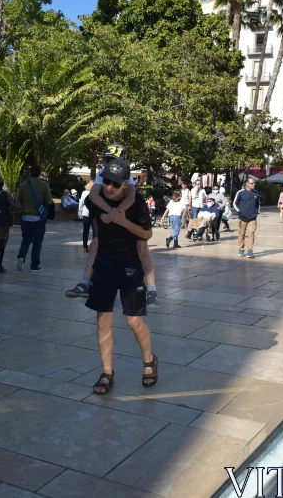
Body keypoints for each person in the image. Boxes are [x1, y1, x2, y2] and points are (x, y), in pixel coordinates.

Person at [83, 158, 158, 395]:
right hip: (105, 264)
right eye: (106, 181)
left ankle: (149, 361)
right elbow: (96, 233)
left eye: (115, 184)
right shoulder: (95, 201)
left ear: (126, 184)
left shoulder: (136, 205)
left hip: (130, 266)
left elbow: (147, 233)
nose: (109, 187)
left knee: (133, 320)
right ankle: (107, 373)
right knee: (103, 320)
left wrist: (122, 221)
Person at [65, 144, 158, 308]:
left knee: (142, 247)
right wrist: (110, 212)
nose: (109, 164)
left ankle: (151, 289)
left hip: (129, 212)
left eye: (113, 160)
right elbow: (94, 195)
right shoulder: (102, 174)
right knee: (96, 242)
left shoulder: (125, 176)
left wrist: (116, 214)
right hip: (112, 212)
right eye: (107, 160)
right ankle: (86, 281)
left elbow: (131, 197)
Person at [15, 165, 53, 272]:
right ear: (40, 173)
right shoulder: (44, 185)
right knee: (37, 242)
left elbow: (19, 202)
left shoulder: (23, 185)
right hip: (38, 218)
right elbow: (49, 201)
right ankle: (34, 265)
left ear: (30, 173)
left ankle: (21, 257)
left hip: (25, 217)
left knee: (26, 240)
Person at [233, 178, 261, 258]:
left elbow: (258, 203)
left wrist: (257, 212)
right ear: (247, 184)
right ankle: (241, 249)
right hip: (242, 217)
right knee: (241, 234)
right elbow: (235, 203)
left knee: (251, 234)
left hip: (252, 218)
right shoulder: (240, 193)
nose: (254, 185)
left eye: (254, 183)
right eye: (252, 183)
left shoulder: (256, 193)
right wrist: (239, 211)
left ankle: (250, 251)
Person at [78, 181, 95, 253]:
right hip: (94, 214)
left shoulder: (84, 193)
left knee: (86, 231)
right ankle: (94, 247)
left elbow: (81, 203)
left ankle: (85, 247)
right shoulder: (96, 193)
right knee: (95, 231)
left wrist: (80, 213)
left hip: (85, 214)